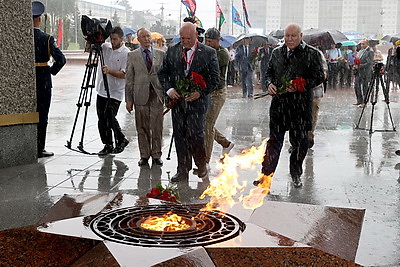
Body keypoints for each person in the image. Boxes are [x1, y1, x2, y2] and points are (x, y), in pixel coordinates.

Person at [254, 23, 324, 188]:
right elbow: (269, 72)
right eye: (287, 36)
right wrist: (269, 84)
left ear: (301, 36)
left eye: (293, 36)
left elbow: (319, 76)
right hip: (279, 106)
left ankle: (296, 173)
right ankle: (266, 177)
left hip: (300, 107)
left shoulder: (311, 54)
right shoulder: (277, 52)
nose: (290, 39)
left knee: (300, 143)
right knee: (273, 143)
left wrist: (302, 84)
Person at [158, 22, 219, 182]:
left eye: (188, 38)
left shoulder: (208, 53)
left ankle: (201, 165)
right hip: (178, 102)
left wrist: (200, 92)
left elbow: (215, 79)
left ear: (196, 36)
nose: (184, 41)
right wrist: (169, 90)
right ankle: (182, 170)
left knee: (195, 134)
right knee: (180, 135)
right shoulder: (172, 50)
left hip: (197, 103)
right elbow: (162, 74)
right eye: (182, 38)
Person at [125, 28, 165, 166]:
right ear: (139, 39)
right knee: (142, 127)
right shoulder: (132, 55)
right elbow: (129, 79)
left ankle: (156, 154)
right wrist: (128, 99)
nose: (147, 39)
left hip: (157, 95)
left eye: (148, 36)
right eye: (143, 37)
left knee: (157, 126)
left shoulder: (161, 54)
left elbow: (165, 76)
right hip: (140, 95)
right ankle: (144, 155)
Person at [32, 1, 66, 158]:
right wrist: (51, 71)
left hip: (28, 79)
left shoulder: (22, 38)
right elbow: (61, 59)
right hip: (43, 79)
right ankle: (40, 148)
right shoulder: (46, 38)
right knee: (42, 114)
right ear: (39, 19)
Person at [96, 26, 130, 155]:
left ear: (122, 39)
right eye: (111, 39)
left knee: (110, 117)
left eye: (115, 39)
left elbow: (124, 74)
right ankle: (108, 144)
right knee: (101, 120)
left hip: (116, 91)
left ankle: (121, 139)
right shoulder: (105, 47)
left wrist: (109, 71)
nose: (113, 42)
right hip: (102, 89)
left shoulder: (126, 53)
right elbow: (89, 50)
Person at [204, 28, 235, 167]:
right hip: (207, 91)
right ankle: (225, 143)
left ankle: (205, 161)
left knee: (207, 125)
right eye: (206, 41)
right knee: (205, 123)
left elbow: (208, 65)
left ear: (218, 40)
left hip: (217, 93)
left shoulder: (222, 54)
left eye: (210, 41)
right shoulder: (208, 51)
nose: (208, 44)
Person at [353, 39, 374, 107]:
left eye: (363, 44)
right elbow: (358, 59)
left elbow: (369, 63)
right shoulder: (361, 51)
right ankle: (359, 100)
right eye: (361, 44)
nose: (362, 45)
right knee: (356, 85)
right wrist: (356, 64)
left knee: (365, 87)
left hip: (365, 72)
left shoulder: (370, 51)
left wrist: (359, 66)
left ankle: (365, 102)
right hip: (359, 71)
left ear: (367, 44)